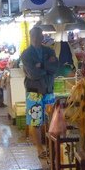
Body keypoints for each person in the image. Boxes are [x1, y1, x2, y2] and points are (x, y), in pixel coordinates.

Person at [20, 26, 59, 159]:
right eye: (34, 36)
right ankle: (39, 149)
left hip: (49, 90)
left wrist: (41, 65)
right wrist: (46, 67)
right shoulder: (26, 54)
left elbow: (55, 68)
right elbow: (33, 74)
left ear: (43, 37)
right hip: (34, 91)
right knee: (35, 121)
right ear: (31, 37)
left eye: (39, 35)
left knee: (51, 120)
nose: (37, 38)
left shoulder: (49, 51)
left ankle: (51, 146)